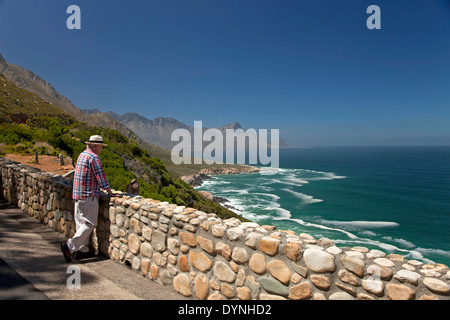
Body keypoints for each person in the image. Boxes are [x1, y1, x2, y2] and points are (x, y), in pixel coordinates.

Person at [60, 135, 119, 262]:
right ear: (96, 146)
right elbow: (101, 176)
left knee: (81, 223)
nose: (101, 150)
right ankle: (69, 247)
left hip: (78, 195)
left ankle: (83, 250)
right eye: (101, 147)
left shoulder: (82, 155)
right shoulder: (94, 157)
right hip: (88, 195)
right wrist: (109, 192)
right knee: (90, 224)